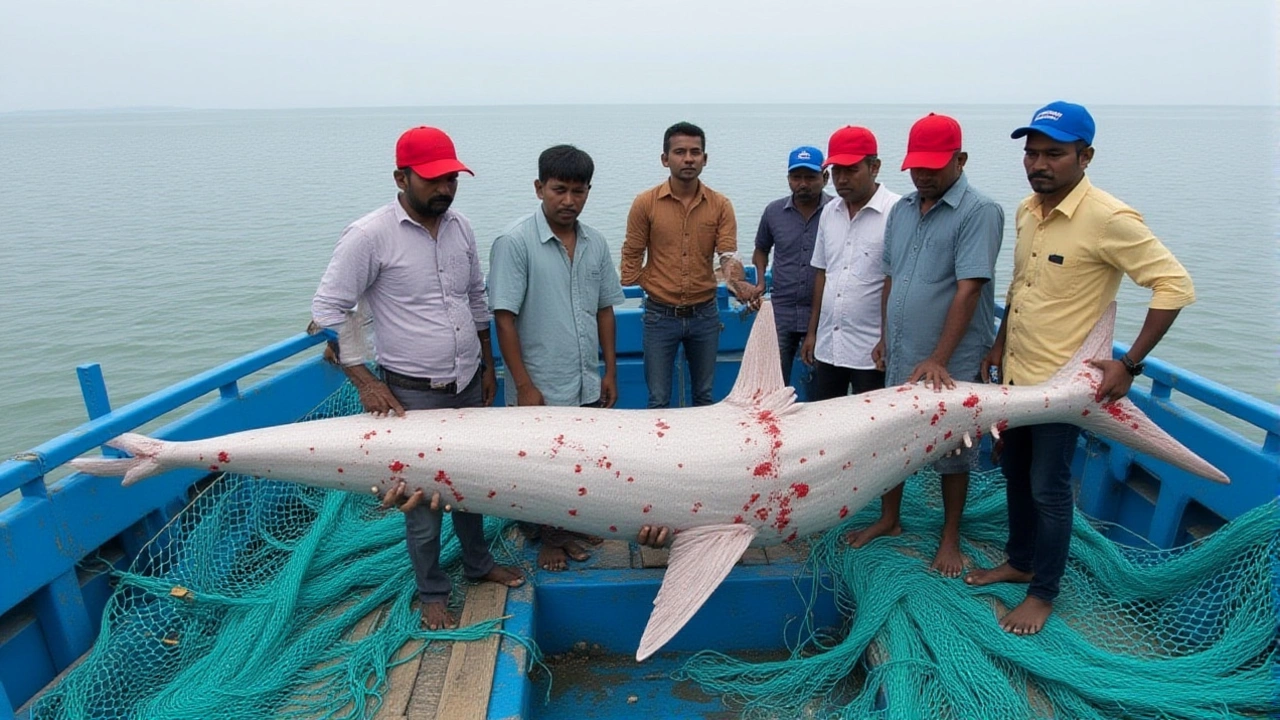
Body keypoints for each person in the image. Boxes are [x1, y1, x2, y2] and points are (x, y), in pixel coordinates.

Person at [966, 101, 1195, 635]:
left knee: (1049, 487)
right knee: (1015, 474)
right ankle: (1019, 561)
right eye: (1032, 153)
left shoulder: (1109, 219)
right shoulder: (1028, 211)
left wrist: (1130, 364)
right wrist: (999, 347)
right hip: (1018, 381)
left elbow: (1175, 285)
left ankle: (1043, 592)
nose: (1038, 163)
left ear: (1085, 156)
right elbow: (1024, 293)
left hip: (1064, 388)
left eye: (1054, 154)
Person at [311, 126, 525, 631]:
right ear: (400, 177)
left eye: (451, 177)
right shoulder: (369, 235)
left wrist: (488, 364)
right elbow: (327, 309)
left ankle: (478, 564)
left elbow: (476, 297)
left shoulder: (461, 227)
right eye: (432, 179)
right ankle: (432, 591)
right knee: (422, 504)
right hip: (410, 393)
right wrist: (364, 380)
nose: (444, 189)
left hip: (468, 381)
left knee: (474, 485)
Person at [845, 113, 1004, 580]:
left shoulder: (980, 211)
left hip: (949, 360)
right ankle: (889, 517)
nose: (923, 175)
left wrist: (938, 357)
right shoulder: (902, 210)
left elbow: (969, 288)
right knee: (893, 441)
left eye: (934, 166)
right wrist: (883, 338)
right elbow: (891, 278)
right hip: (901, 351)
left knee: (954, 449)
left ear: (961, 160)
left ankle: (949, 535)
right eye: (916, 166)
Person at [488, 144, 626, 571]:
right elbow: (504, 318)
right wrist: (525, 385)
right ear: (539, 188)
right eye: (559, 190)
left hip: (585, 376)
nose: (569, 201)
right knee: (541, 465)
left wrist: (609, 371)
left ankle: (569, 524)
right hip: (541, 382)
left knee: (578, 459)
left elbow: (604, 308)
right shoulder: (514, 242)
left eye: (579, 191)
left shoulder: (595, 242)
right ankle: (548, 537)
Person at [620, 121, 760, 408]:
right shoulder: (645, 204)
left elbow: (728, 254)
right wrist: (654, 283)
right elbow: (631, 259)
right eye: (680, 152)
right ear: (665, 159)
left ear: (704, 159)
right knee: (658, 399)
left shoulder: (720, 205)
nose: (688, 158)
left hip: (705, 314)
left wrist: (738, 282)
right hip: (659, 315)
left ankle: (701, 452)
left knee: (705, 398)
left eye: (695, 152)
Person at [800, 126, 901, 400]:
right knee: (824, 418)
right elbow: (823, 274)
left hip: (872, 350)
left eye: (851, 169)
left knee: (873, 428)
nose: (841, 179)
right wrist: (812, 333)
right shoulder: (829, 213)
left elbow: (898, 282)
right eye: (835, 171)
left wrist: (887, 338)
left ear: (875, 167)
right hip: (829, 345)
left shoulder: (897, 212)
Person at [750, 145, 833, 392]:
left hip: (823, 314)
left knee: (824, 386)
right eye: (796, 177)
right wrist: (760, 281)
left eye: (810, 177)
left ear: (825, 177)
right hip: (782, 312)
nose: (803, 184)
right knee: (774, 384)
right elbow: (761, 248)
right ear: (788, 178)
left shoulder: (837, 212)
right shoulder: (773, 212)